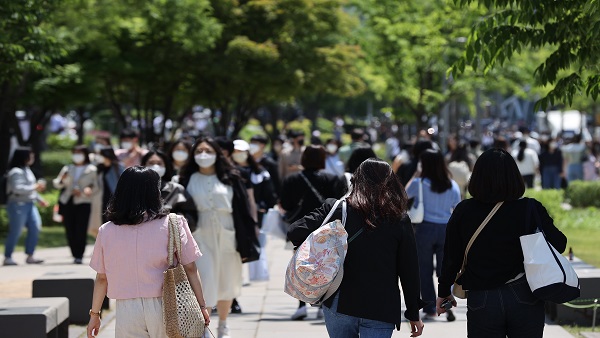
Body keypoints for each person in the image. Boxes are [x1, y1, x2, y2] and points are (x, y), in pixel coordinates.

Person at [436, 148, 568, 338]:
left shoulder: (464, 210)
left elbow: (451, 256)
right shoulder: (530, 208)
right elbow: (560, 244)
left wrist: (444, 291)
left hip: (482, 296)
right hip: (524, 292)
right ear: (514, 176)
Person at [287, 159, 425, 338]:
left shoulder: (337, 209)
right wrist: (413, 312)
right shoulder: (398, 218)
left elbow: (295, 231)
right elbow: (409, 270)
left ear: (356, 180)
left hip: (340, 301)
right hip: (381, 305)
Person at [86, 166, 210, 338]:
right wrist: (202, 306)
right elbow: (190, 268)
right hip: (168, 304)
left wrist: (95, 314)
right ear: (155, 191)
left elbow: (101, 278)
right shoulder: (173, 223)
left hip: (126, 309)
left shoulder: (106, 230)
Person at [179, 137, 259, 338]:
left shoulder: (231, 177)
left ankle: (223, 324)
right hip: (199, 236)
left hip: (227, 235)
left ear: (217, 153)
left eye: (208, 150)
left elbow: (243, 210)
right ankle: (203, 325)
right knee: (203, 280)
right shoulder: (186, 179)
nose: (203, 155)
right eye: (199, 151)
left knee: (227, 281)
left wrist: (248, 240)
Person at [280, 145, 348, 320]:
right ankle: (322, 303)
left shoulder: (292, 180)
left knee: (301, 265)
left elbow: (285, 205)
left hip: (300, 228)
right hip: (326, 228)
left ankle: (302, 303)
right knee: (327, 265)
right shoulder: (333, 179)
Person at [405, 149, 461, 321]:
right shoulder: (452, 185)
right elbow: (457, 207)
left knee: (424, 269)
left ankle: (430, 307)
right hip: (446, 229)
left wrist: (415, 175)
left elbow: (403, 196)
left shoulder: (419, 182)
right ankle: (446, 301)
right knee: (447, 269)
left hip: (424, 229)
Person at [53, 145, 98, 264]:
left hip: (83, 202)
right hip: (68, 201)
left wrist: (87, 190)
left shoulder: (92, 169)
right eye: (75, 152)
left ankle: (79, 254)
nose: (77, 155)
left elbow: (96, 186)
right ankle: (74, 253)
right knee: (69, 228)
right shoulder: (68, 168)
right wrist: (62, 179)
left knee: (80, 229)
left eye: (80, 152)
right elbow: (58, 184)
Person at [3, 147, 48, 266]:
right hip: (18, 204)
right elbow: (17, 188)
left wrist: (40, 199)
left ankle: (30, 255)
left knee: (35, 227)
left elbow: (31, 188)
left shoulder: (27, 169)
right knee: (16, 231)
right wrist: (35, 187)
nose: (32, 158)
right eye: (30, 156)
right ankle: (8, 256)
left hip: (30, 203)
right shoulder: (15, 172)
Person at [141, 150, 198, 231]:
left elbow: (191, 217)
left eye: (159, 163)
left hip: (170, 239)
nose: (155, 166)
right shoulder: (134, 189)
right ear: (143, 166)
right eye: (151, 163)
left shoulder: (176, 189)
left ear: (166, 166)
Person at [89, 147, 124, 237]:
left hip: (115, 200)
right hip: (101, 199)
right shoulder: (99, 168)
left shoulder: (118, 168)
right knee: (102, 222)